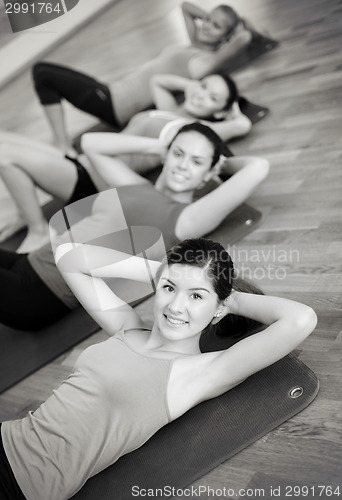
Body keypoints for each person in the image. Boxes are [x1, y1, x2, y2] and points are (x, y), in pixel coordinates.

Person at [0, 237, 317, 499]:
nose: (176, 306)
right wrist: (170, 272)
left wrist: (225, 295)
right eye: (168, 289)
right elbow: (70, 256)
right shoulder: (127, 327)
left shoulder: (196, 374)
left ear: (219, 309)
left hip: (21, 484)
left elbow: (300, 319)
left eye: (196, 296)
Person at [0, 123, 269, 331]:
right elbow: (90, 143)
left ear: (208, 173)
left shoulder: (187, 218)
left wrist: (220, 164)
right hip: (30, 262)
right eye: (178, 154)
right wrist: (161, 145)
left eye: (197, 161)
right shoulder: (135, 184)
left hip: (41, 293)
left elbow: (258, 166)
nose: (183, 166)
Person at [0, 73, 250, 253]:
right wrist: (194, 87)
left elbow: (239, 127)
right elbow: (158, 80)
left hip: (90, 179)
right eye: (204, 85)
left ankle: (39, 230)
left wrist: (234, 119)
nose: (201, 94)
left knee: (4, 154)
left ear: (219, 112)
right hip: (83, 161)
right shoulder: (171, 111)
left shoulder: (195, 132)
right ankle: (26, 213)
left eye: (212, 98)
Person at [32, 2, 253, 156]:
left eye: (216, 26)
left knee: (42, 73)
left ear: (226, 37)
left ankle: (63, 146)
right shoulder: (194, 45)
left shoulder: (203, 62)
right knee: (44, 72)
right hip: (111, 91)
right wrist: (215, 21)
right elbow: (185, 6)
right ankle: (62, 143)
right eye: (207, 19)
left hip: (114, 104)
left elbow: (244, 38)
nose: (205, 25)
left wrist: (238, 27)